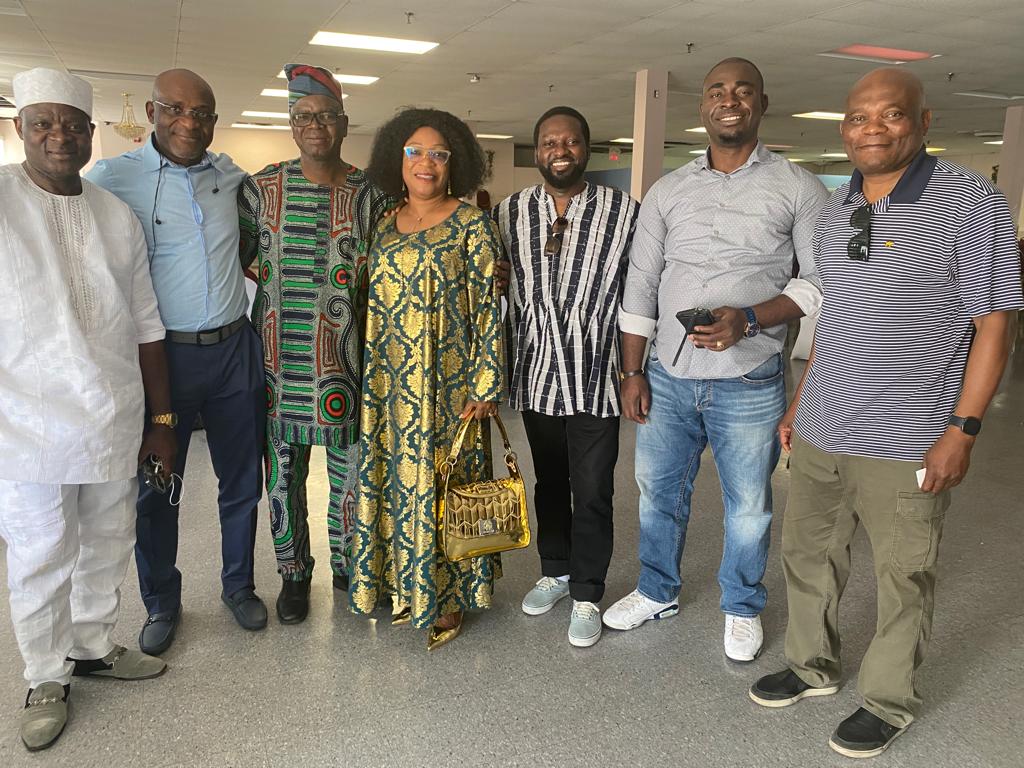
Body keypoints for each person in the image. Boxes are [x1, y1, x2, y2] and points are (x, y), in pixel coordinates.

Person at [749, 68, 1024, 759]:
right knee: (807, 556)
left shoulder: (971, 201)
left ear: (923, 122)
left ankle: (889, 701)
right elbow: (835, 316)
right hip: (821, 428)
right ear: (843, 129)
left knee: (905, 577)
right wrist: (801, 400)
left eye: (891, 115)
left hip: (909, 438)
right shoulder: (841, 206)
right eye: (858, 117)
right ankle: (811, 666)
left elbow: (994, 322)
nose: (873, 128)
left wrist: (963, 429)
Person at [603, 57, 829, 662]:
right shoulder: (669, 191)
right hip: (668, 376)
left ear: (761, 102)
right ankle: (657, 590)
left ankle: (741, 604)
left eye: (742, 90)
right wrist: (631, 370)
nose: (729, 100)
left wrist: (749, 319)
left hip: (749, 379)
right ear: (703, 105)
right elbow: (642, 282)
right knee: (656, 492)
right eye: (717, 91)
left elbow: (818, 282)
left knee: (748, 503)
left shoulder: (799, 187)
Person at [0, 68, 174, 752]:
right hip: (25, 425)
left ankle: (94, 645)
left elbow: (146, 323)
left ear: (91, 134)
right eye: (43, 122)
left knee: (106, 540)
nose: (58, 136)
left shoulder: (112, 214)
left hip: (111, 414)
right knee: (42, 552)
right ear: (20, 129)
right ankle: (45, 674)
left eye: (72, 124)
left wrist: (161, 422)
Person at [87, 69, 267, 654]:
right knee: (158, 488)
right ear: (151, 111)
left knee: (242, 482)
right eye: (177, 109)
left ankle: (238, 585)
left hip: (235, 350)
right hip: (161, 361)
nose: (190, 122)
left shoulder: (232, 178)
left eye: (203, 113)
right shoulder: (112, 180)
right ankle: (162, 601)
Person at [239, 64, 394, 624]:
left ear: (344, 123)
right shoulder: (261, 189)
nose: (315, 126)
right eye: (304, 116)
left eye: (326, 116)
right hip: (278, 366)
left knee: (351, 478)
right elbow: (231, 257)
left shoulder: (371, 197)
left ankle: (352, 569)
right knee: (282, 480)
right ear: (290, 123)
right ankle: (294, 575)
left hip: (345, 366)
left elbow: (392, 272)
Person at [348, 108, 504, 650]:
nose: (426, 162)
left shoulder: (472, 225)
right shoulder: (383, 225)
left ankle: (450, 597)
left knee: (445, 490)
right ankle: (407, 588)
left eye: (438, 153)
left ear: (454, 162)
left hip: (449, 387)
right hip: (389, 386)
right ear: (398, 158)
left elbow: (488, 306)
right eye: (415, 150)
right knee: (397, 487)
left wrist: (485, 383)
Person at [493, 106, 639, 647]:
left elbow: (639, 295)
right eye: (550, 142)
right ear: (538, 151)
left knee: (594, 489)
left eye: (571, 141)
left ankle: (586, 593)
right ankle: (553, 571)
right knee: (549, 482)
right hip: (535, 374)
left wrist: (632, 371)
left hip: (595, 375)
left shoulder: (626, 212)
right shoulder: (509, 212)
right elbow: (498, 285)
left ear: (587, 149)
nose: (561, 150)